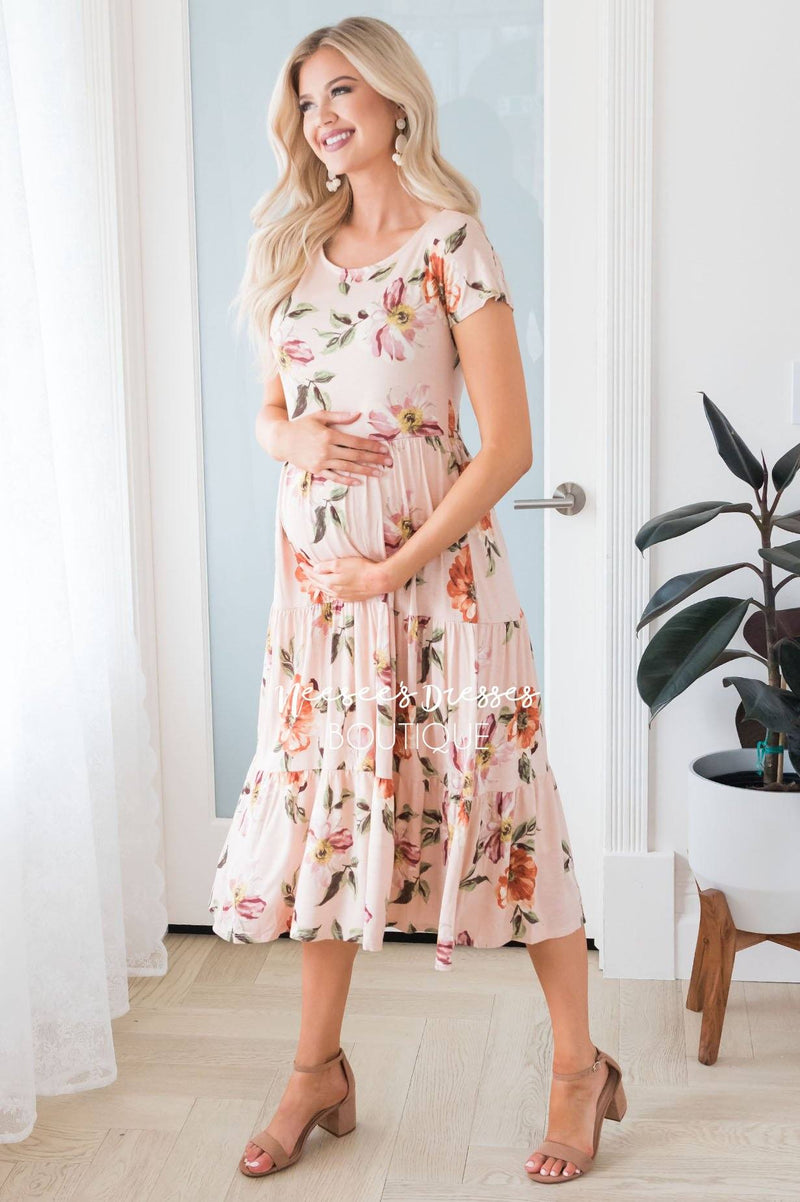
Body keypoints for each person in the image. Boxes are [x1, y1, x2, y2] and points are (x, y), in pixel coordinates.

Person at [207, 15, 626, 1185]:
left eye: (341, 91)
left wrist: (392, 567)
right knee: (329, 810)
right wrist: (289, 436)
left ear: (396, 101)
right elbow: (269, 409)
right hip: (319, 606)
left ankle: (576, 1066)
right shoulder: (290, 246)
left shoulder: (452, 242)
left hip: (438, 591)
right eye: (305, 101)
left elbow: (506, 449)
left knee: (502, 806)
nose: (321, 117)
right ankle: (315, 1069)